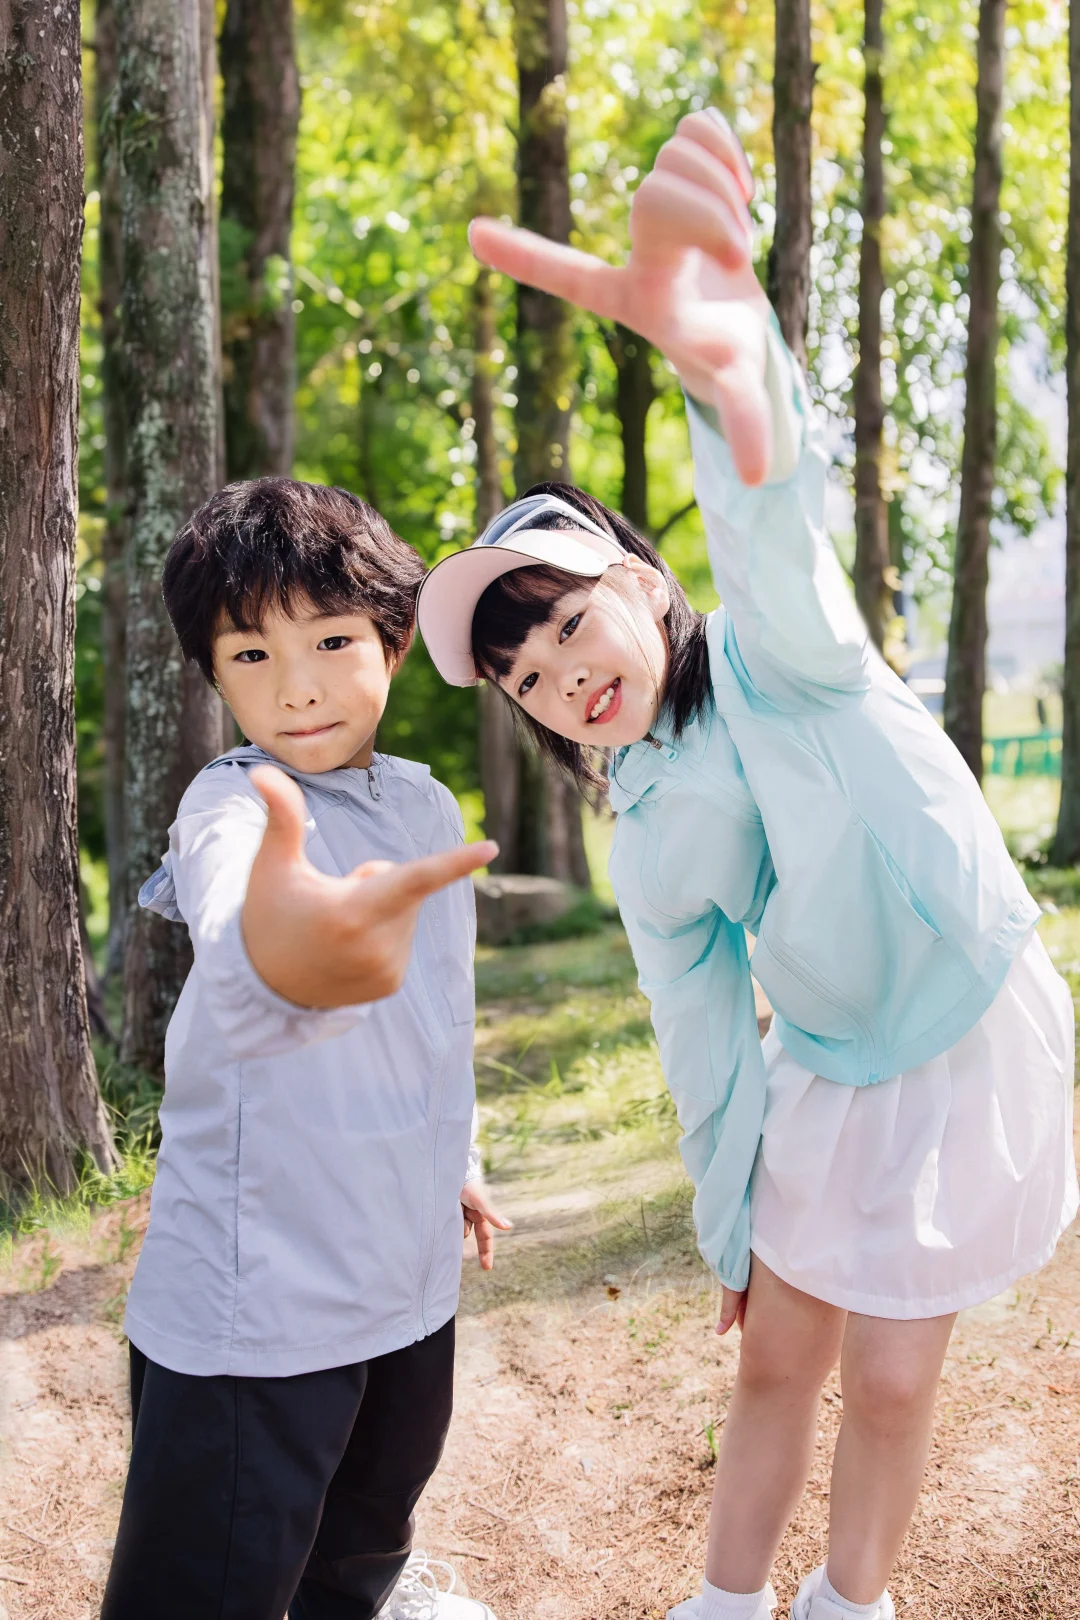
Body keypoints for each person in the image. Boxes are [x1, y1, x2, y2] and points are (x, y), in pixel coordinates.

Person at [415, 112, 1078, 1620]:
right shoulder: (639, 825)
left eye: (572, 620)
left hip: (967, 1025)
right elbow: (701, 1031)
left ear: (643, 589)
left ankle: (849, 1606)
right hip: (833, 1057)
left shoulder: (785, 663)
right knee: (781, 1351)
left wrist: (724, 369)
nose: (561, 672)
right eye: (521, 672)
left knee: (896, 1372)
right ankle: (722, 1605)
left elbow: (772, 526)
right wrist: (731, 1222)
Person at [100, 477, 507, 1620]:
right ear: (214, 676)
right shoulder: (233, 805)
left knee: (358, 1558)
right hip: (258, 1321)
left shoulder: (425, 811)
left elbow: (437, 1016)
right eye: (250, 656)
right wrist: (304, 940)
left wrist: (456, 1155)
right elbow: (249, 918)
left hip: (407, 1288)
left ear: (392, 640)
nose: (299, 686)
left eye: (331, 639)